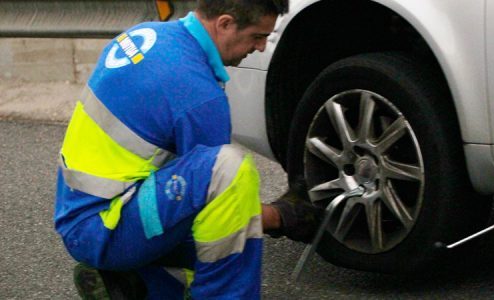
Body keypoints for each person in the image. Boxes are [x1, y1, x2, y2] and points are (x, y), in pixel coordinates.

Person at [54, 0, 321, 298]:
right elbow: (216, 202)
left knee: (204, 194)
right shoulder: (199, 97)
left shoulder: (146, 35)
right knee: (230, 175)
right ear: (224, 24)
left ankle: (138, 284)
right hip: (106, 231)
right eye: (257, 37)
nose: (259, 48)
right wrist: (279, 217)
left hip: (78, 215)